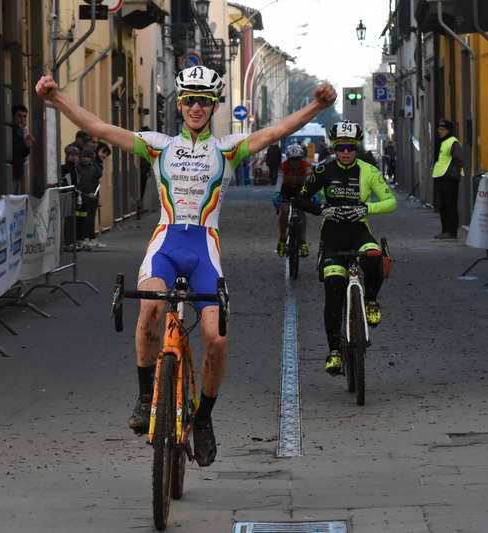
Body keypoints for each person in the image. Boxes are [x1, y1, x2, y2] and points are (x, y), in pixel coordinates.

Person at [36, 65, 337, 466]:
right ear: (179, 104)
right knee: (151, 308)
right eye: (189, 100)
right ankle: (146, 399)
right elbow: (100, 127)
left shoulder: (228, 148)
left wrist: (316, 106)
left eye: (204, 101)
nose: (196, 107)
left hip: (204, 250)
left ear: (213, 106)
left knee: (216, 339)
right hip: (166, 243)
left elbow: (276, 132)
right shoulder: (159, 146)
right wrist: (56, 98)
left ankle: (205, 419)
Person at [293, 121, 396, 376]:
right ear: (334, 148)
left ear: (357, 147)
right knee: (334, 290)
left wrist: (366, 208)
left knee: (373, 257)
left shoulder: (369, 171)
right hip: (332, 235)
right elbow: (300, 198)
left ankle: (371, 300)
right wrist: (322, 209)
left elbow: (391, 202)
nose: (346, 152)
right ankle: (334, 351)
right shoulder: (323, 170)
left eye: (350, 147)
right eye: (341, 148)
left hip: (359, 230)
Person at [272, 143, 311, 258]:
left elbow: (309, 181)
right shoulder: (284, 166)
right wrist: (277, 193)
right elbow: (279, 181)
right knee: (284, 211)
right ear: (289, 159)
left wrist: (312, 194)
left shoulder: (305, 166)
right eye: (293, 160)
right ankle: (282, 238)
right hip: (286, 189)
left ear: (301, 158)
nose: (295, 162)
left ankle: (303, 242)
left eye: (298, 159)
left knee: (301, 212)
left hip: (300, 189)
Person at [432, 119, 465, 239]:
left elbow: (459, 159)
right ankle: (445, 230)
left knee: (450, 205)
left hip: (449, 178)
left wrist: (453, 174)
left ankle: (451, 231)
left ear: (449, 130)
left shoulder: (453, 142)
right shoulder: (442, 142)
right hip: (441, 177)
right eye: (439, 129)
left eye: (442, 129)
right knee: (442, 205)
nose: (440, 132)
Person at [75, 147, 103, 249]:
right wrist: (85, 194)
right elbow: (79, 183)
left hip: (93, 196)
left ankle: (92, 238)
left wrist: (95, 161)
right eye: (84, 157)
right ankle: (83, 238)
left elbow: (100, 174)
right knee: (83, 219)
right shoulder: (78, 168)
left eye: (89, 157)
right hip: (82, 197)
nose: (86, 159)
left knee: (91, 218)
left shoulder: (94, 168)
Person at [12, 104, 36, 193]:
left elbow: (22, 154)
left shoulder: (22, 132)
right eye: (19, 116)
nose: (22, 120)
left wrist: (27, 147)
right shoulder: (9, 131)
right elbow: (12, 152)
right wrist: (24, 145)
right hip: (10, 174)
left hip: (18, 174)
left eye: (24, 117)